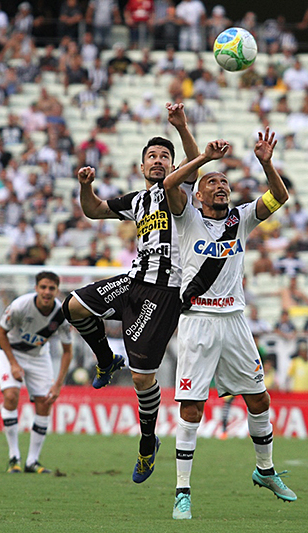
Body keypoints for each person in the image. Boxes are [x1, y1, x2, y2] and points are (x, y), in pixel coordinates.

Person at [62, 103, 199, 484]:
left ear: (173, 166)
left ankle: (147, 441)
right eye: (152, 157)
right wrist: (85, 186)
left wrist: (182, 127)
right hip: (133, 281)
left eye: (164, 157)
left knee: (142, 380)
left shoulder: (181, 193)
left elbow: (195, 163)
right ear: (141, 167)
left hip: (165, 292)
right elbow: (93, 211)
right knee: (73, 307)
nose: (158, 161)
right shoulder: (137, 201)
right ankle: (106, 361)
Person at [161, 130, 296, 519]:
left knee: (259, 399)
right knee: (191, 407)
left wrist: (266, 162)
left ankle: (265, 470)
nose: (221, 186)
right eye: (212, 183)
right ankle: (182, 492)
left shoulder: (242, 219)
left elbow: (280, 197)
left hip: (234, 320)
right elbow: (170, 183)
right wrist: (203, 158)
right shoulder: (185, 218)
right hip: (199, 320)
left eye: (224, 182)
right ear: (198, 194)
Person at [0, 271, 73, 475]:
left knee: (45, 403)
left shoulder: (62, 316)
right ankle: (14, 458)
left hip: (39, 356)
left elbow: (67, 352)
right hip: (10, 352)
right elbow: (0, 333)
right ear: (36, 288)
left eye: (51, 288)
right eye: (43, 287)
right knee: (11, 396)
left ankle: (32, 461)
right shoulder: (20, 306)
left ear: (57, 291)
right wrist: (13, 364)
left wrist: (58, 385)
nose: (47, 292)